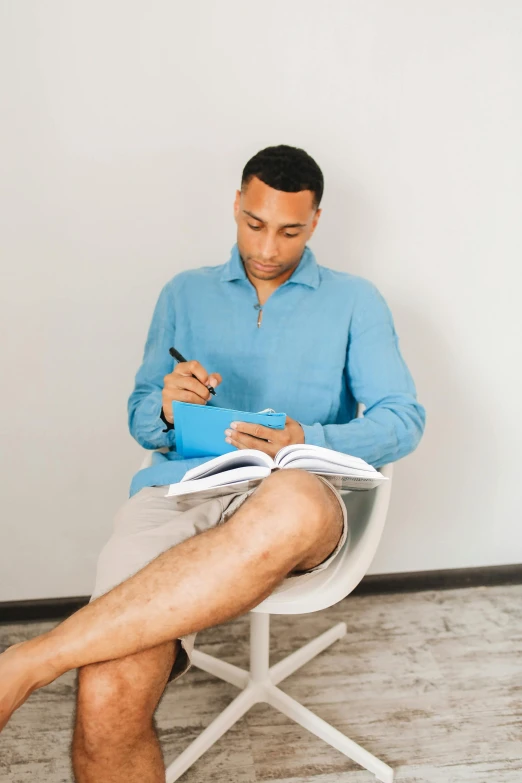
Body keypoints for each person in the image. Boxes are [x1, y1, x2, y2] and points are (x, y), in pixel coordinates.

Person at [0, 144, 426, 781]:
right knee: (107, 696)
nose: (269, 248)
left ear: (315, 221)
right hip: (180, 492)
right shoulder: (184, 292)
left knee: (288, 502)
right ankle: (53, 662)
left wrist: (303, 438)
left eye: (290, 230)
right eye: (255, 224)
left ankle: (30, 660)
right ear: (235, 206)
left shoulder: (355, 302)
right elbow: (143, 416)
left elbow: (403, 419)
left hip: (294, 496)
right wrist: (168, 408)